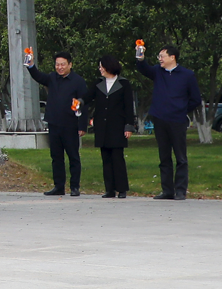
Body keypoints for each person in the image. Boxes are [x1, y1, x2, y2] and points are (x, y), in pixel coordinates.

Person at [136, 44, 201, 200]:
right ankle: (167, 190)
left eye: (162, 56)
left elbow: (196, 99)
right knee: (164, 156)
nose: (160, 59)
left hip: (178, 120)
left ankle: (180, 190)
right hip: (160, 118)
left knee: (180, 157)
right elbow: (144, 69)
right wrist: (140, 57)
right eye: (159, 56)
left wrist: (181, 109)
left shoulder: (187, 75)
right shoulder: (158, 72)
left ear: (173, 57)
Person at [27, 51, 88, 196]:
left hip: (71, 124)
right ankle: (59, 186)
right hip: (54, 123)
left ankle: (74, 187)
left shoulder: (78, 81)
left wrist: (82, 126)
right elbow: (38, 76)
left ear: (70, 65)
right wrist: (30, 65)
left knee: (73, 156)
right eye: (57, 65)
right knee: (56, 157)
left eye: (63, 64)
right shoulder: (52, 78)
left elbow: (84, 103)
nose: (60, 67)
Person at [83, 55, 135, 198]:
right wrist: (79, 102)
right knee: (105, 158)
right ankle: (109, 189)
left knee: (117, 158)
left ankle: (122, 188)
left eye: (102, 66)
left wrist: (129, 126)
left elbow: (128, 106)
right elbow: (88, 96)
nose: (100, 69)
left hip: (117, 126)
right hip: (102, 126)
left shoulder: (124, 84)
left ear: (109, 66)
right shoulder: (98, 83)